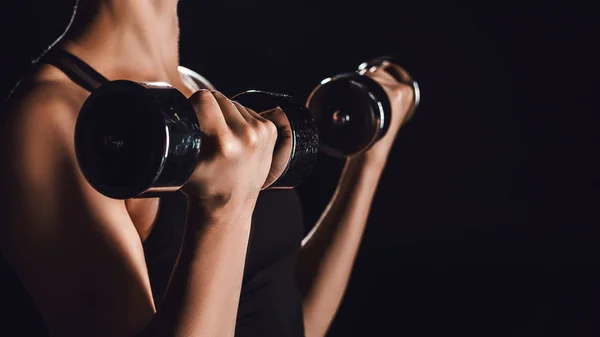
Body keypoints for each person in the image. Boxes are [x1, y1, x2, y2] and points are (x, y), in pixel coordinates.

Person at [0, 0, 417, 336]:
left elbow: (291, 320)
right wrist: (222, 209)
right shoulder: (52, 119)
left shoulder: (196, 87)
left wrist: (369, 156)